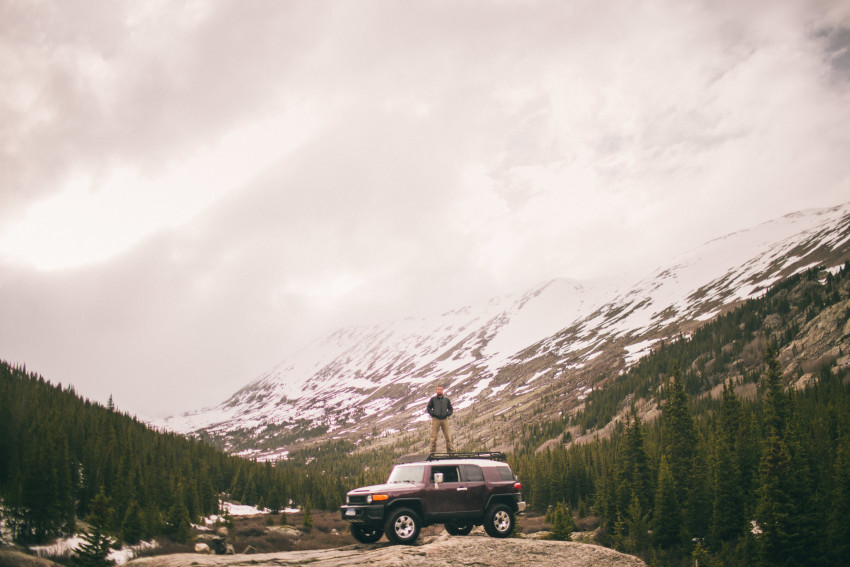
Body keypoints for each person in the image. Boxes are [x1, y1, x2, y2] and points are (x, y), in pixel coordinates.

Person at [426, 385, 454, 453]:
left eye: (441, 389)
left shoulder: (446, 399)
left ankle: (451, 454)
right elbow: (428, 408)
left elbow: (450, 409)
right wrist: (433, 414)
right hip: (436, 419)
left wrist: (447, 414)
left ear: (442, 390)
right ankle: (432, 454)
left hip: (445, 419)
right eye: (438, 389)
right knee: (433, 438)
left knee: (448, 437)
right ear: (436, 391)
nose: (440, 391)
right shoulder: (433, 399)